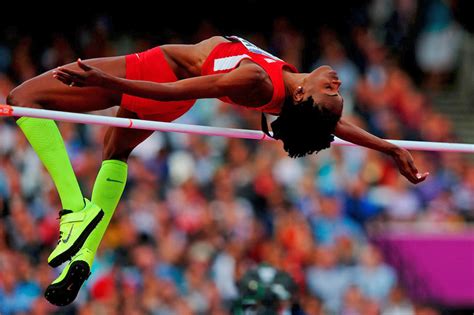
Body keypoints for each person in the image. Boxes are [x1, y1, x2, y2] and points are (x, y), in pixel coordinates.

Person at [6, 35, 428, 306]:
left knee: (24, 98)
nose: (337, 84)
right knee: (114, 151)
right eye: (337, 93)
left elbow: (177, 87)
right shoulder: (293, 101)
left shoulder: (256, 81)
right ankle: (84, 253)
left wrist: (107, 81)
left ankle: (73, 208)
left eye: (331, 91)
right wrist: (390, 148)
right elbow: (332, 124)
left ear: (303, 94)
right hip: (170, 97)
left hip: (158, 75)